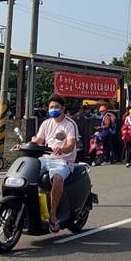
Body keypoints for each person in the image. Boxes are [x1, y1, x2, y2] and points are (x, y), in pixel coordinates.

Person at [32, 94, 79, 233]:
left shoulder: (70, 124)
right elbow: (39, 140)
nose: (53, 109)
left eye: (56, 107)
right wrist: (26, 144)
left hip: (63, 161)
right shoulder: (46, 123)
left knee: (57, 178)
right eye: (51, 107)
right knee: (28, 171)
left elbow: (70, 145)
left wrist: (62, 149)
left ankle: (52, 215)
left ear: (63, 108)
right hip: (46, 159)